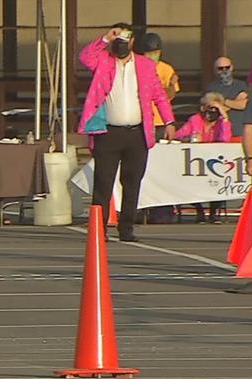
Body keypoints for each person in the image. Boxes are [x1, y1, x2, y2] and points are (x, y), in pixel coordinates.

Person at [77, 23, 176, 242]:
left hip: (137, 132)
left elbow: (159, 94)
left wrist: (168, 120)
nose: (120, 44)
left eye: (124, 39)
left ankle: (127, 227)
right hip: (108, 132)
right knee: (103, 181)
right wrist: (105, 39)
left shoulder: (145, 65)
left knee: (132, 180)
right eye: (117, 39)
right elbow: (85, 57)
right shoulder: (103, 61)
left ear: (132, 41)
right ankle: (99, 228)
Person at [175, 92, 232, 223]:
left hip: (215, 161)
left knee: (218, 179)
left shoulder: (221, 123)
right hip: (194, 161)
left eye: (215, 109)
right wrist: (189, 138)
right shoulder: (194, 120)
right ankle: (199, 210)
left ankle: (213, 213)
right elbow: (178, 136)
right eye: (209, 108)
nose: (211, 112)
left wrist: (224, 117)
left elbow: (225, 139)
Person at [139, 32, 179, 140]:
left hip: (161, 119)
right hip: (141, 120)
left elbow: (170, 96)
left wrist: (171, 84)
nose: (152, 56)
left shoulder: (166, 69)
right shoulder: (138, 67)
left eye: (155, 52)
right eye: (149, 53)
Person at [205, 56, 248, 140]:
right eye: (220, 68)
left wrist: (222, 102)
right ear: (215, 70)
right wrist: (236, 101)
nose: (224, 71)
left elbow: (245, 104)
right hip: (219, 133)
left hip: (239, 133)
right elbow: (214, 108)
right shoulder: (211, 87)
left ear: (231, 67)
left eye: (227, 67)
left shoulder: (241, 85)